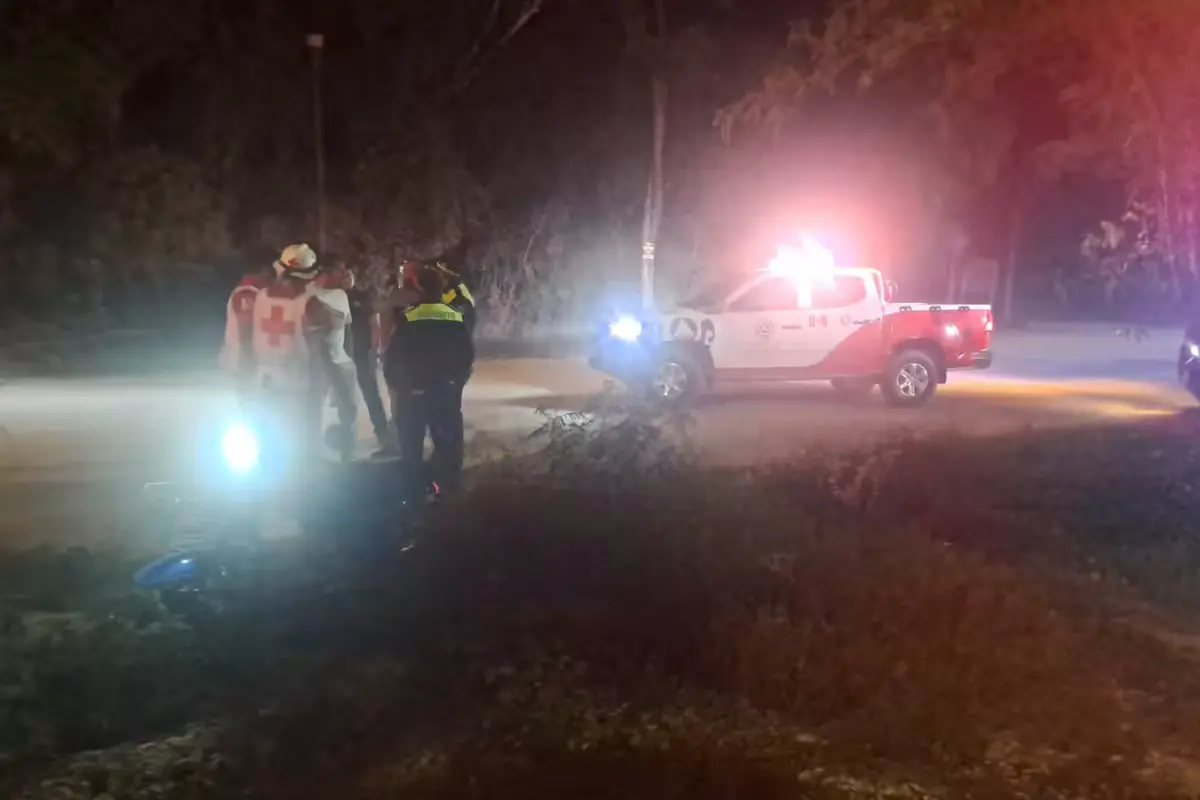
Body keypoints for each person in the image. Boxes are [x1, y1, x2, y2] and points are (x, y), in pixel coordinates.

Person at [383, 263, 475, 497]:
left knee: (411, 452)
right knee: (449, 450)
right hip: (444, 394)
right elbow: (467, 357)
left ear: (419, 289)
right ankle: (449, 501)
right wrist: (455, 386)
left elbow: (392, 359)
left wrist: (400, 388)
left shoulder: (408, 318)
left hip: (413, 396)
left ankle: (413, 501)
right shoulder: (455, 317)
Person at [344, 267, 395, 456]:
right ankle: (346, 437)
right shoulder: (333, 299)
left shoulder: (361, 297)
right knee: (344, 398)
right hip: (341, 354)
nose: (346, 279)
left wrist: (374, 349)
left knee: (370, 393)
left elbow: (374, 323)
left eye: (348, 275)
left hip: (362, 352)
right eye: (343, 275)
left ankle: (382, 433)